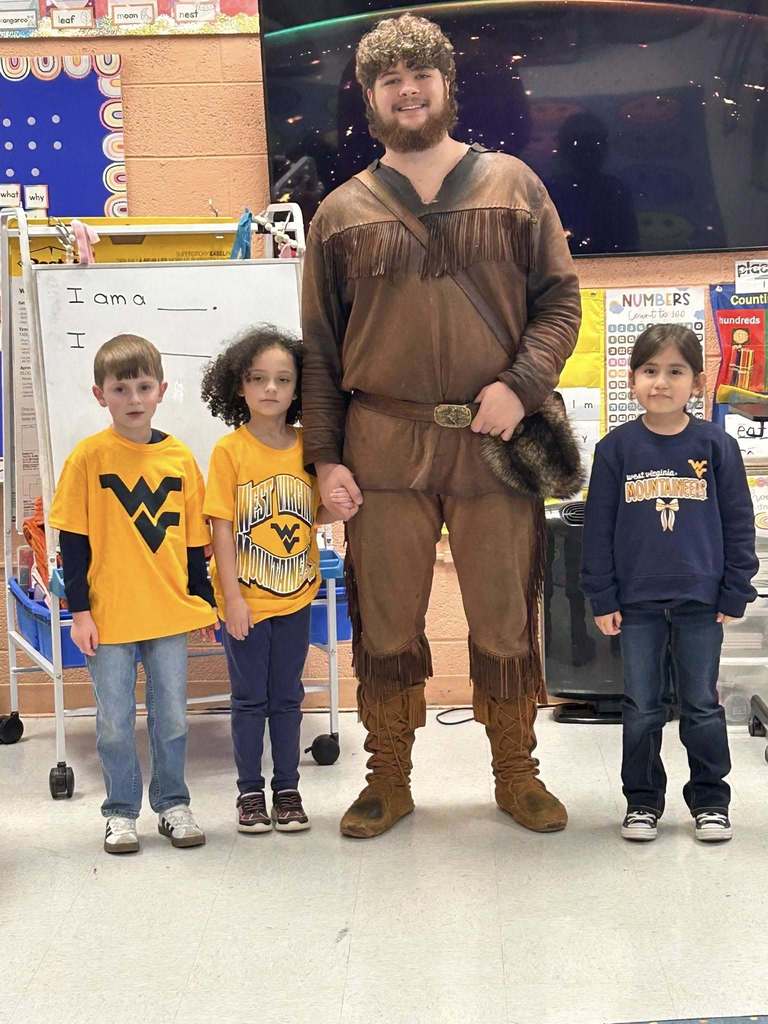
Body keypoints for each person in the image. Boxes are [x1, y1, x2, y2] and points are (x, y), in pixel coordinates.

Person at [301, 13, 582, 838]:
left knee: (503, 614)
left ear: (447, 88)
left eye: (421, 75)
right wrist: (324, 457)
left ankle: (515, 771)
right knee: (386, 619)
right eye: (390, 79)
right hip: (381, 441)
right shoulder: (340, 212)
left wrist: (522, 386)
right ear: (370, 97)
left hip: (496, 443)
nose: (408, 90)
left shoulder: (514, 186)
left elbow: (560, 303)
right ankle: (387, 774)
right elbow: (319, 348)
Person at [581, 324, 758, 843]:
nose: (662, 382)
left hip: (702, 602)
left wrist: (735, 588)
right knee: (641, 706)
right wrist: (602, 594)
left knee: (702, 704)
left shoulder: (716, 446)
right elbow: (599, 529)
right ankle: (641, 802)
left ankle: (710, 801)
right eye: (650, 370)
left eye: (675, 371)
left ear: (697, 382)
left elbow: (738, 522)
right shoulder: (616, 450)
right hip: (634, 604)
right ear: (632, 380)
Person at [49, 334, 217, 854]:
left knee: (171, 719)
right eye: (121, 389)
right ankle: (121, 812)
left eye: (144, 386)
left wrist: (204, 602)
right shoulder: (87, 458)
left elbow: (194, 545)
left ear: (162, 390)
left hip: (167, 614)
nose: (134, 398)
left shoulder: (181, 458)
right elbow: (72, 545)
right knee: (115, 723)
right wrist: (80, 612)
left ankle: (172, 804)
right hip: (110, 616)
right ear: (101, 395)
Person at [202, 326, 354, 834]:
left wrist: (341, 505)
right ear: (238, 386)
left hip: (297, 598)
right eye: (258, 378)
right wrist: (232, 600)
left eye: (283, 380)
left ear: (298, 389)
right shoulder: (229, 452)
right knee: (249, 701)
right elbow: (221, 529)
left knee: (288, 697)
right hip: (246, 603)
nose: (270, 389)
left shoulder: (311, 448)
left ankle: (287, 789)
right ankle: (250, 793)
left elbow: (313, 514)